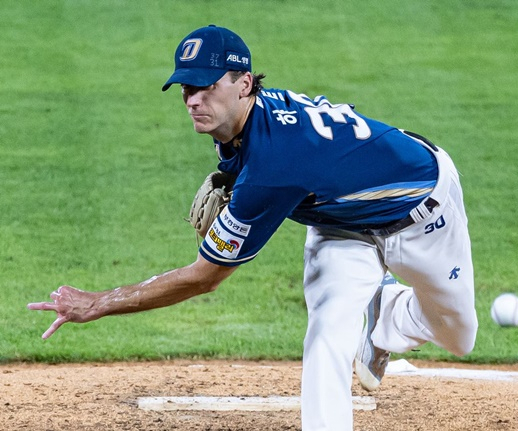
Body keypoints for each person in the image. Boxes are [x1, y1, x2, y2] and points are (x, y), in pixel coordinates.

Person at [28, 25, 478, 431]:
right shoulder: (243, 124)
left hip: (424, 209)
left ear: (244, 84)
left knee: (459, 337)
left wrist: (100, 303)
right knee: (328, 331)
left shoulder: (272, 166)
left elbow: (205, 277)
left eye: (206, 86)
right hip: (339, 226)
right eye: (187, 88)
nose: (193, 100)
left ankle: (389, 314)